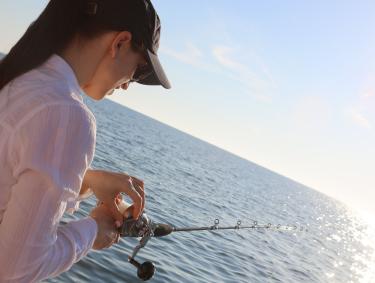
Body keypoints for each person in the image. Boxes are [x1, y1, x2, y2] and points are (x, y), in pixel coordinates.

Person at [0, 0, 171, 281]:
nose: (128, 84)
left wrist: (87, 181)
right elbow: (15, 270)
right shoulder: (66, 115)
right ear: (120, 43)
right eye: (139, 70)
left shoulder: (18, 76)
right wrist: (93, 231)